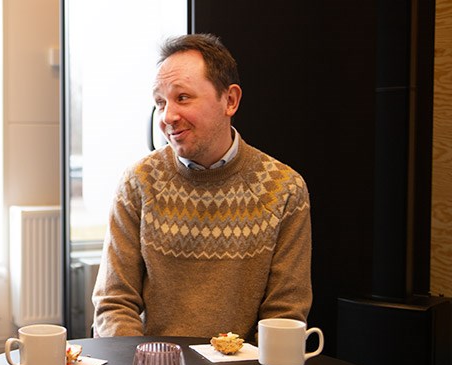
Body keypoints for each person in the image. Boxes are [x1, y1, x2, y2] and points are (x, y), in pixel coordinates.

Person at [92, 34, 312, 342]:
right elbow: (114, 303)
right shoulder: (139, 182)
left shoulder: (284, 189)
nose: (167, 116)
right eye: (160, 102)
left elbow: (285, 313)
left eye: (182, 98)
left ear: (230, 100)